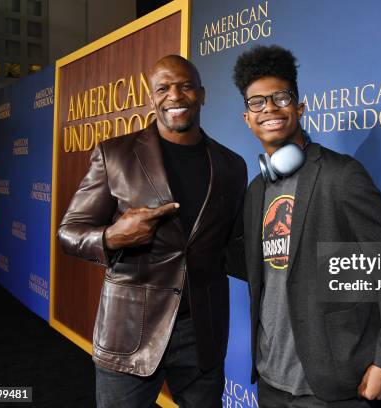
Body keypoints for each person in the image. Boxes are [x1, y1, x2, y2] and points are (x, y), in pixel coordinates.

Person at [58, 55, 247, 408]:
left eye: (185, 85)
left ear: (202, 94)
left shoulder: (232, 166)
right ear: (151, 97)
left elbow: (233, 248)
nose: (175, 95)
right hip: (130, 329)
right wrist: (113, 236)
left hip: (202, 333)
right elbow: (69, 232)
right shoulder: (114, 155)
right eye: (164, 87)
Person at [231, 45, 381, 407]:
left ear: (299, 108)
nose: (268, 108)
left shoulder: (341, 175)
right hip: (270, 381)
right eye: (257, 102)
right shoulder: (256, 191)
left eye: (280, 97)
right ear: (247, 119)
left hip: (333, 385)